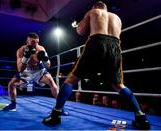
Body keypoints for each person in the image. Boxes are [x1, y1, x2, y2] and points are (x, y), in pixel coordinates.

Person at [42, 1, 150, 129]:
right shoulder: (117, 18)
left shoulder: (93, 11)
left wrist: (78, 25)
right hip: (115, 46)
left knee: (71, 80)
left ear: (95, 7)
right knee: (118, 85)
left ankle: (55, 115)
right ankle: (141, 117)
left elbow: (81, 31)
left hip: (96, 43)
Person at [2, 33, 68, 115]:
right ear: (27, 41)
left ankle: (60, 108)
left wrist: (45, 59)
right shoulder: (21, 50)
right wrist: (26, 57)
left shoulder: (41, 49)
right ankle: (13, 105)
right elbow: (20, 69)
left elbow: (48, 66)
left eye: (37, 42)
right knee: (11, 84)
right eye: (33, 42)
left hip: (39, 70)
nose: (35, 44)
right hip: (26, 72)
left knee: (51, 81)